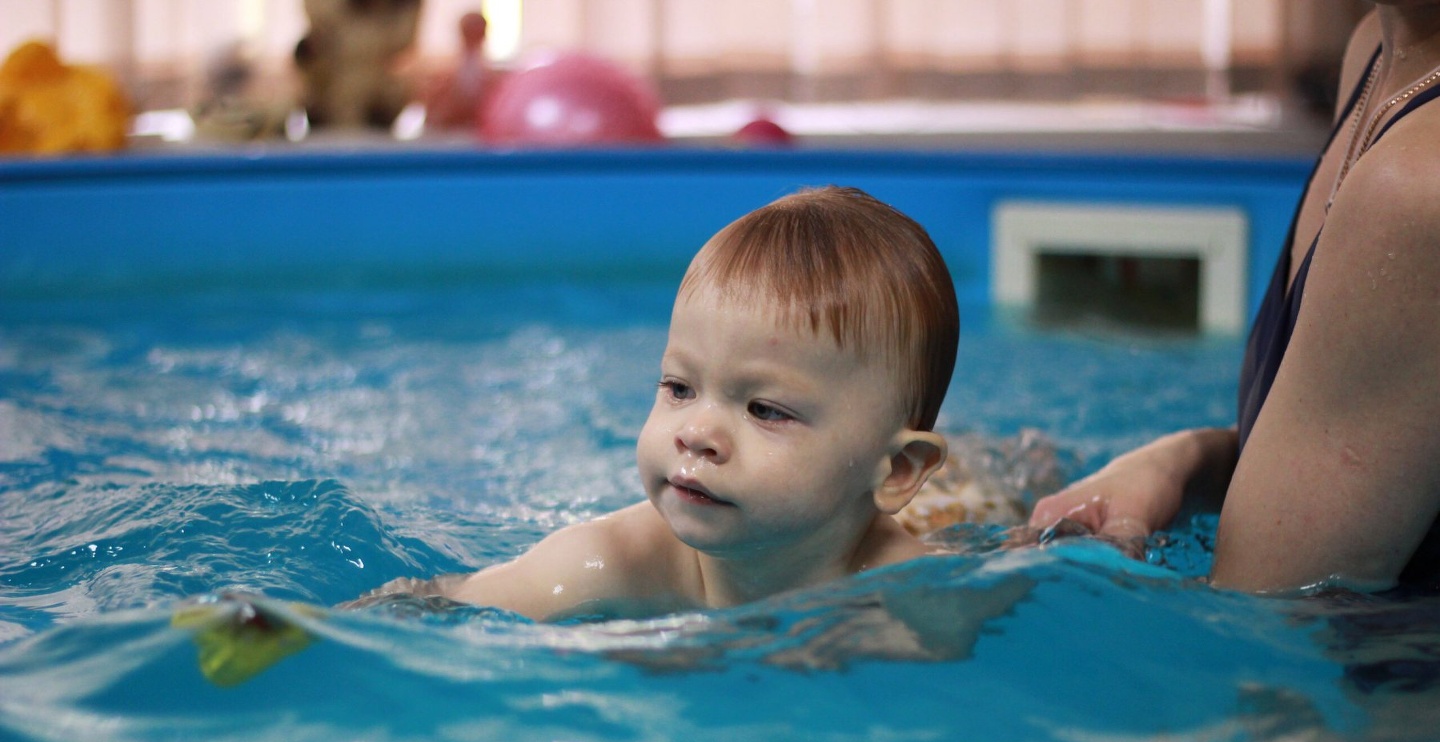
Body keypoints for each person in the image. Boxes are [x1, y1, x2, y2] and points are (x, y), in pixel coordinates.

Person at [356, 186, 958, 621]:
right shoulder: (604, 563)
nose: (695, 432)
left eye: (765, 410)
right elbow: (426, 608)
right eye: (679, 388)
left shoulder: (918, 604)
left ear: (898, 470)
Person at [1028, 2, 1440, 594]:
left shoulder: (1416, 183)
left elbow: (1262, 644)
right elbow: (1351, 447)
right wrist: (1178, 459)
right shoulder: (1376, 53)